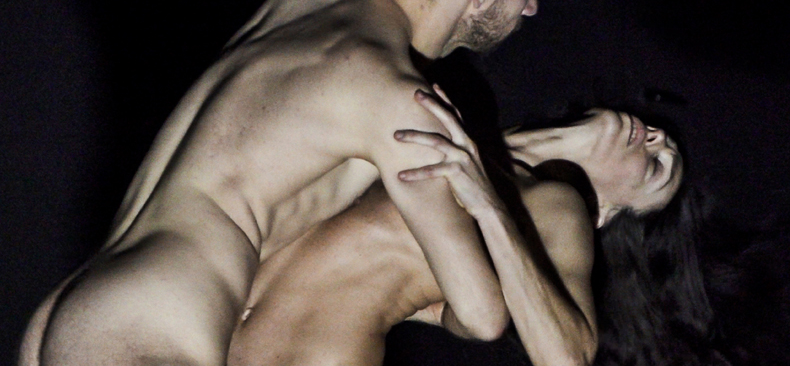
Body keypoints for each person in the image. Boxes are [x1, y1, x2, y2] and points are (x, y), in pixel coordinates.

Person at [19, 0, 565, 366]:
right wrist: (487, 206)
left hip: (87, 306)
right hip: (151, 327)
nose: (533, 8)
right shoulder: (402, 104)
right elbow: (484, 315)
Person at [226, 91, 684, 366]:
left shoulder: (551, 207)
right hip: (217, 303)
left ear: (604, 215)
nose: (656, 139)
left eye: (655, 168)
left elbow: (566, 360)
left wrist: (488, 207)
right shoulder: (464, 118)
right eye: (662, 137)